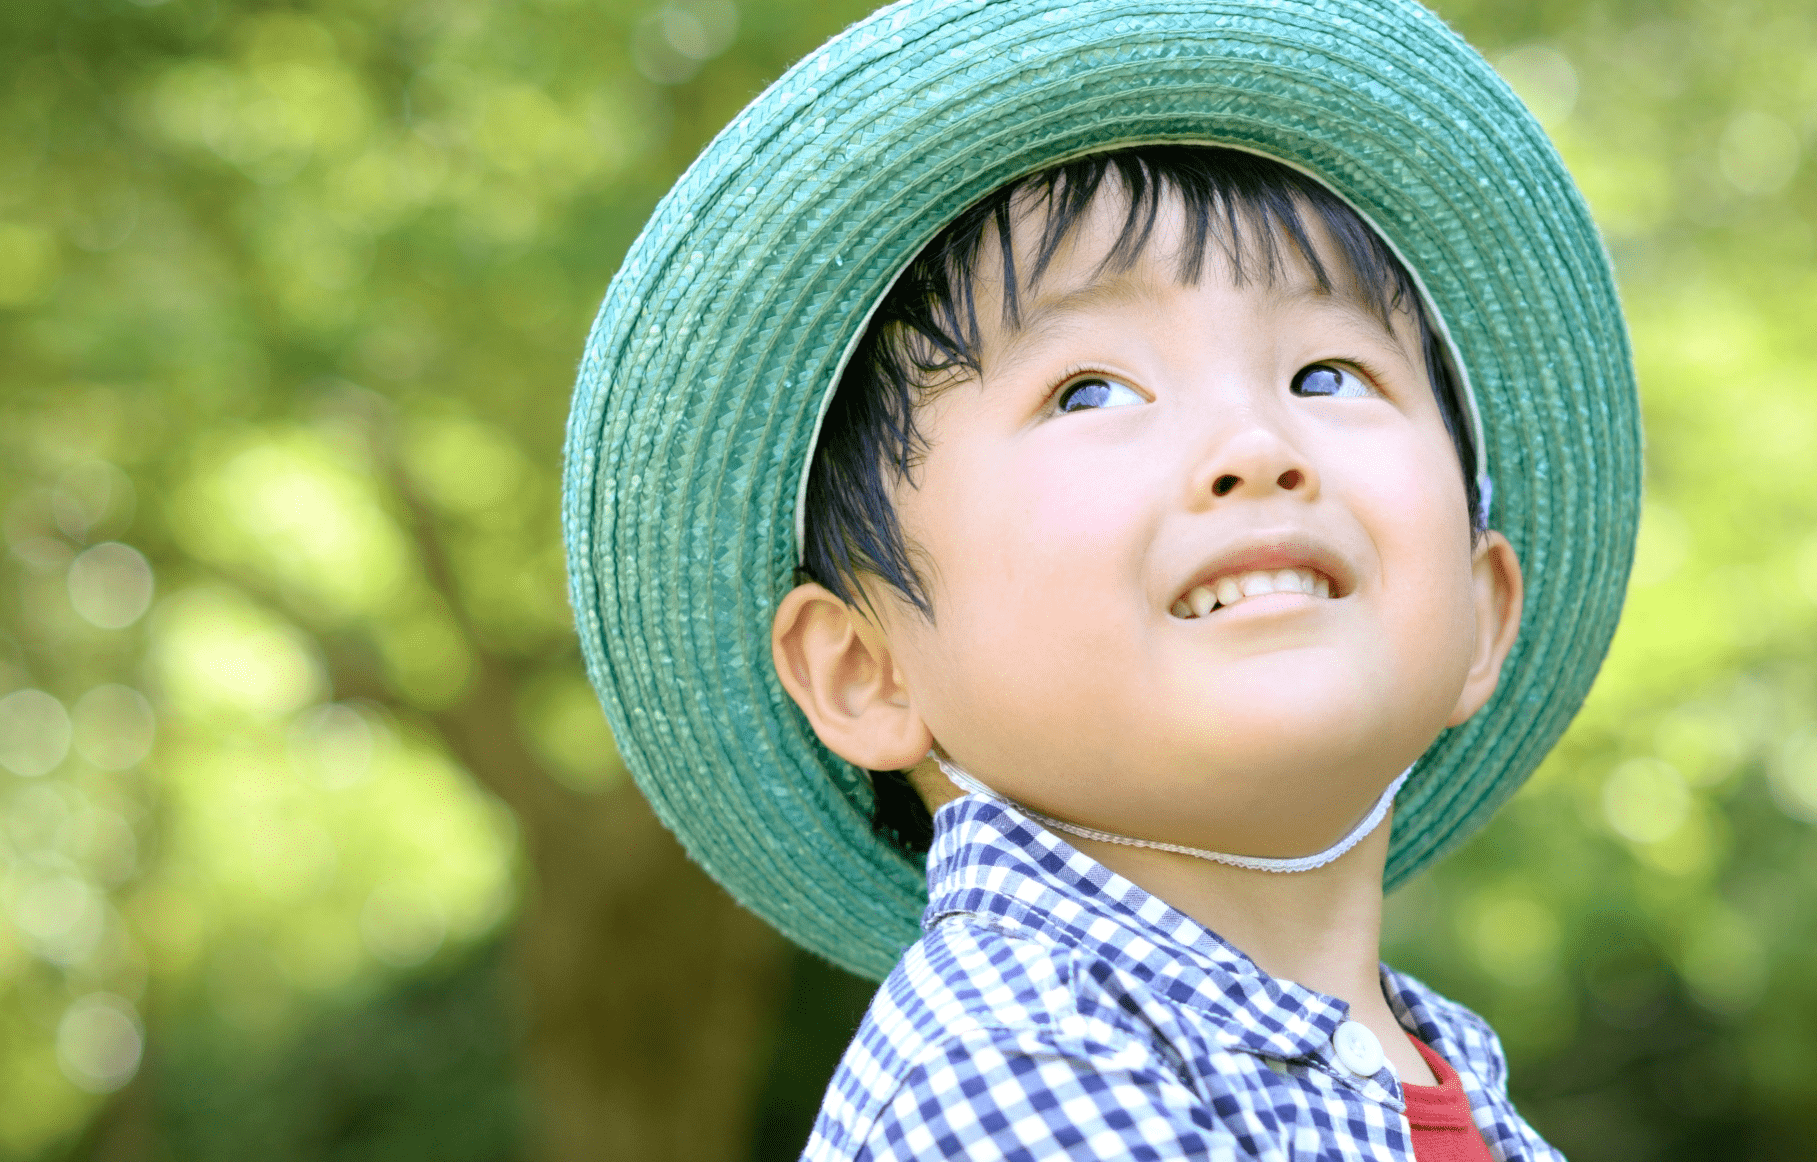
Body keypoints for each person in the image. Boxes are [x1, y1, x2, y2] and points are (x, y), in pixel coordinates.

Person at [562, 1, 1640, 1158]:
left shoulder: (1460, 1097)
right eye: (1090, 392)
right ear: (866, 667)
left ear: (1482, 615)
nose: (1255, 445)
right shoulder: (1008, 1062)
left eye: (1328, 372)